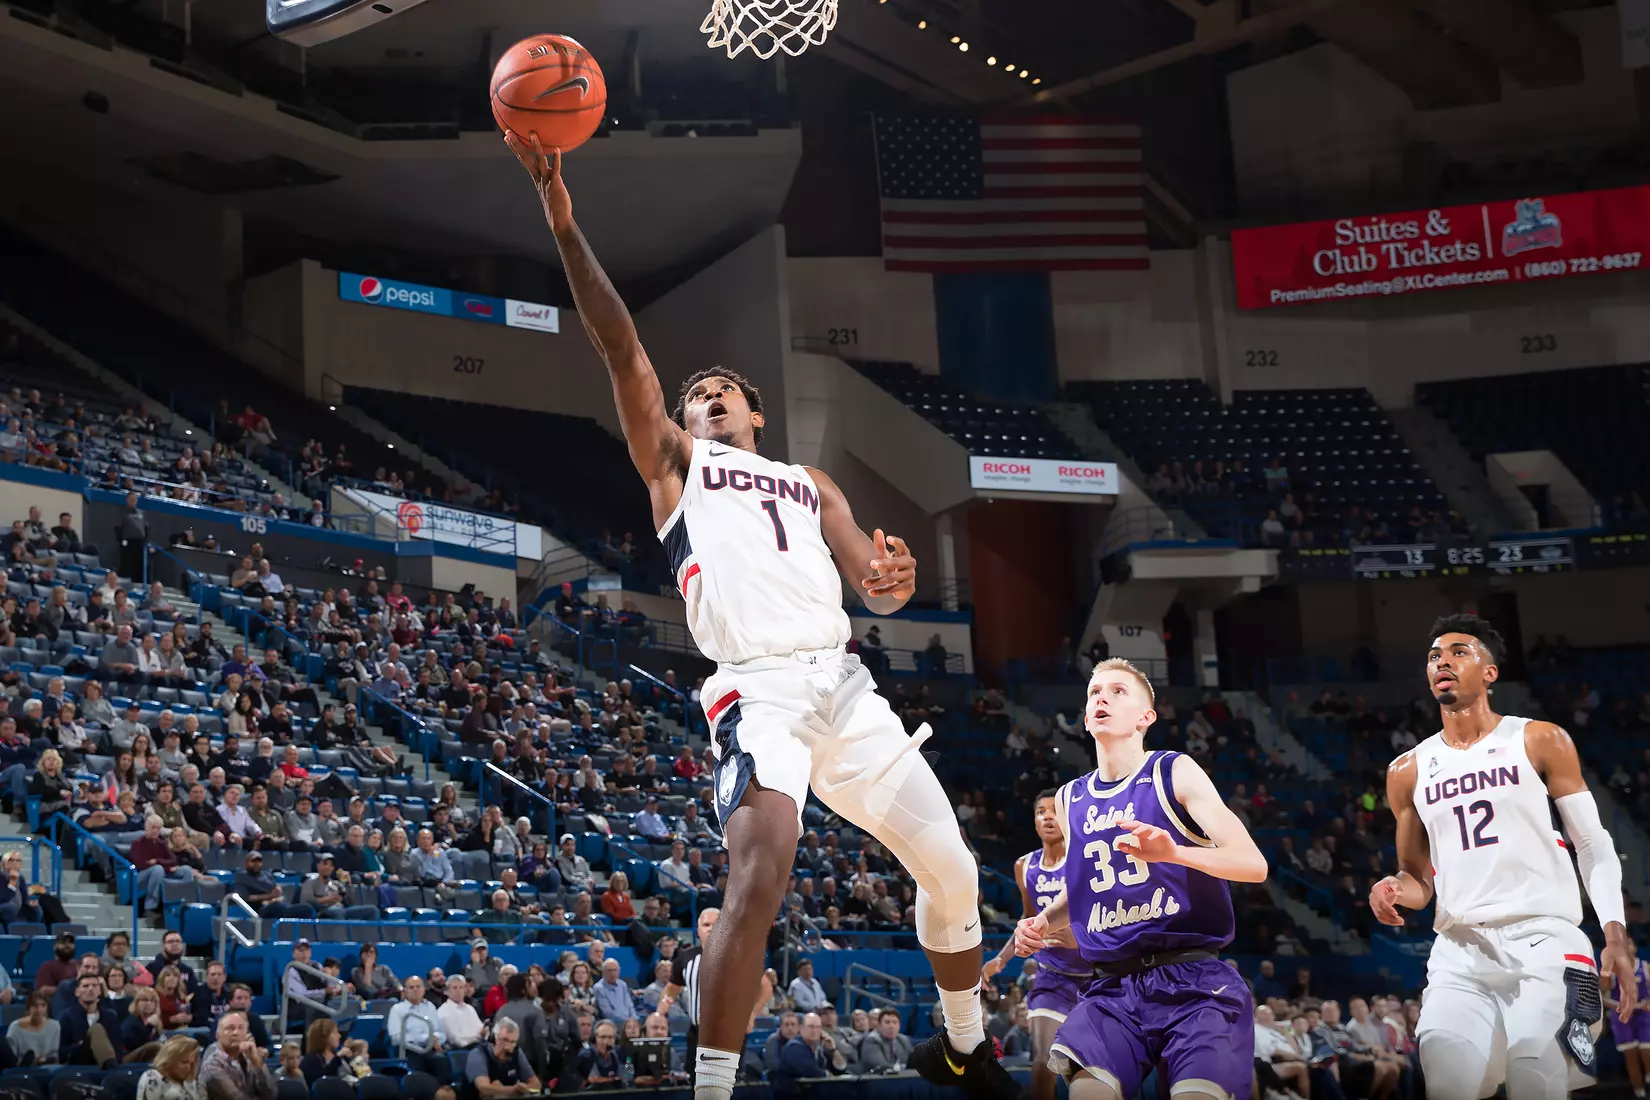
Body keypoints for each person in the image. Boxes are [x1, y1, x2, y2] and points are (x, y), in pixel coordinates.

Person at [507, 134, 1015, 1100]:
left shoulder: (808, 480)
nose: (704, 398)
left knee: (952, 870)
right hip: (759, 692)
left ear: (756, 413)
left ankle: (964, 1045)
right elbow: (621, 345)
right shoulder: (673, 466)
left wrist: (892, 579)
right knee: (763, 868)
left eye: (720, 392)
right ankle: (714, 1085)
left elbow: (876, 580)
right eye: (694, 395)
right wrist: (564, 223)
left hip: (846, 685)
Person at [1369, 614, 1633, 1100]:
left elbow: (1593, 844)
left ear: (1489, 672)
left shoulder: (1538, 738)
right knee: (1448, 1081)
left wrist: (1615, 932)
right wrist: (1392, 888)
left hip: (1545, 940)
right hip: (1459, 950)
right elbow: (1417, 879)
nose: (1442, 661)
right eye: (1433, 656)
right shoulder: (1406, 770)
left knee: (1536, 1077)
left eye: (1458, 652)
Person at [1012, 658, 1269, 1100]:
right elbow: (1086, 890)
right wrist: (1043, 921)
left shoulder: (1174, 771)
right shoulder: (1070, 797)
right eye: (1095, 693)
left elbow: (1253, 864)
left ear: (1145, 717)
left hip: (1192, 980)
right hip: (1112, 988)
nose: (1102, 698)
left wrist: (1175, 853)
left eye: (1117, 691)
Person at [983, 788, 1085, 1100]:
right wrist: (1000, 960)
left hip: (1096, 978)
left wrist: (1077, 936)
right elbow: (1028, 919)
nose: (1048, 816)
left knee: (1088, 1074)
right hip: (1051, 976)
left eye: (1055, 810)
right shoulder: (1024, 866)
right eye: (1041, 811)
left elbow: (1105, 914)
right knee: (1042, 1066)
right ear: (1034, 820)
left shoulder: (1085, 857)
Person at [1607, 938, 1650, 1098]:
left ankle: (1648, 1080)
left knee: (1647, 1053)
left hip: (1644, 1015)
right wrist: (1619, 1006)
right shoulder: (1610, 970)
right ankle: (1640, 1094)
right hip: (1621, 1017)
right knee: (1631, 1059)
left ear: (1634, 947)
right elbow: (1600, 996)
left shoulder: (1645, 966)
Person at [385, 976, 450, 1082]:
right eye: (411, 987)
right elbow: (396, 1037)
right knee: (420, 1068)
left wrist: (436, 1039)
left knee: (443, 1062)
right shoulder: (398, 1009)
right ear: (406, 991)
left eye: (418, 986)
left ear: (423, 989)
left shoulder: (430, 1007)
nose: (415, 990)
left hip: (430, 1049)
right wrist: (426, 1039)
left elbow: (440, 1032)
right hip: (410, 1050)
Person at [199, 1011, 275, 1100]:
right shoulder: (211, 1065)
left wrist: (257, 1063)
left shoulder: (249, 1059)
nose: (236, 1033)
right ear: (217, 1035)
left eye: (241, 1028)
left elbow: (271, 1094)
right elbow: (235, 1097)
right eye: (230, 1028)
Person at [772, 1012, 845, 1098]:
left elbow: (841, 1069)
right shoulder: (793, 1047)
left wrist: (833, 1050)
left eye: (818, 1027)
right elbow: (811, 1071)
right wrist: (831, 1076)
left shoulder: (820, 1048)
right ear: (801, 1028)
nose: (815, 1031)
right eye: (811, 1027)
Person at [467, 1016, 544, 1098]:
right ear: (494, 1038)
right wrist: (513, 1090)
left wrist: (524, 1089)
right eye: (504, 1040)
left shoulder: (516, 1052)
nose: (507, 1047)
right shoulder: (478, 1054)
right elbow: (483, 1088)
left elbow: (537, 1085)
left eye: (512, 1042)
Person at [60, 971, 125, 1065]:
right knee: (96, 1029)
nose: (90, 989)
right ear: (77, 992)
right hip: (79, 1063)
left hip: (111, 1062)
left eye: (94, 986)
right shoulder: (67, 1017)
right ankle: (109, 1065)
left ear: (99, 991)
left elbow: (117, 1046)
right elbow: (62, 1052)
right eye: (86, 986)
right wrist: (82, 1045)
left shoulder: (110, 1016)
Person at [136, 1035, 206, 1100]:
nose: (188, 1067)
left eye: (192, 1063)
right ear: (170, 1060)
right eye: (184, 1062)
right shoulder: (153, 1077)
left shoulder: (191, 1080)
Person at [7, 990, 60, 1065]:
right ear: (29, 1008)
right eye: (35, 1005)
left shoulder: (55, 1026)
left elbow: (54, 1055)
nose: (39, 1009)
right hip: (22, 1070)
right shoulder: (15, 1028)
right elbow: (11, 1058)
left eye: (43, 1005)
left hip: (47, 1068)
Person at [436, 975, 484, 1051]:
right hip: (458, 1051)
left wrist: (482, 1034)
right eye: (455, 988)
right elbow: (458, 1040)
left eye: (461, 987)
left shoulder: (470, 1009)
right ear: (447, 991)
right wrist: (477, 1037)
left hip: (476, 1047)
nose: (458, 991)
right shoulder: (444, 1012)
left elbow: (481, 1030)